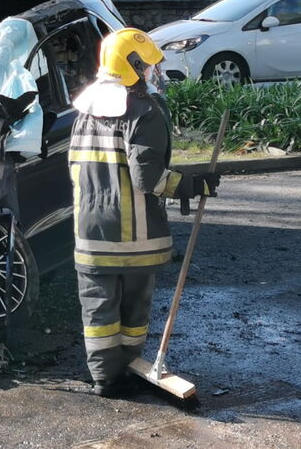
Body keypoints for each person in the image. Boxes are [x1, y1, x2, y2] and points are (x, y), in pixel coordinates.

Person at [68, 28, 220, 396]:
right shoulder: (142, 112)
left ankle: (105, 378)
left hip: (89, 233)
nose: (154, 73)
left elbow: (76, 169)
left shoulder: (84, 112)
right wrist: (192, 185)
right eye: (149, 66)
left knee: (98, 311)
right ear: (133, 66)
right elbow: (147, 178)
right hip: (133, 236)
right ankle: (130, 366)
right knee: (134, 310)